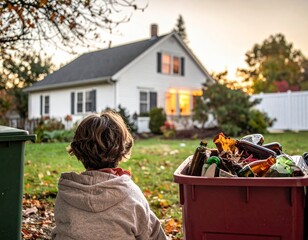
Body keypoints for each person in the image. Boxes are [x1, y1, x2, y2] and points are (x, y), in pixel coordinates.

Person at [51, 111, 168, 240]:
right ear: (122, 148)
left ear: (77, 149)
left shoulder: (66, 192)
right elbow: (154, 234)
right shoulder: (131, 194)